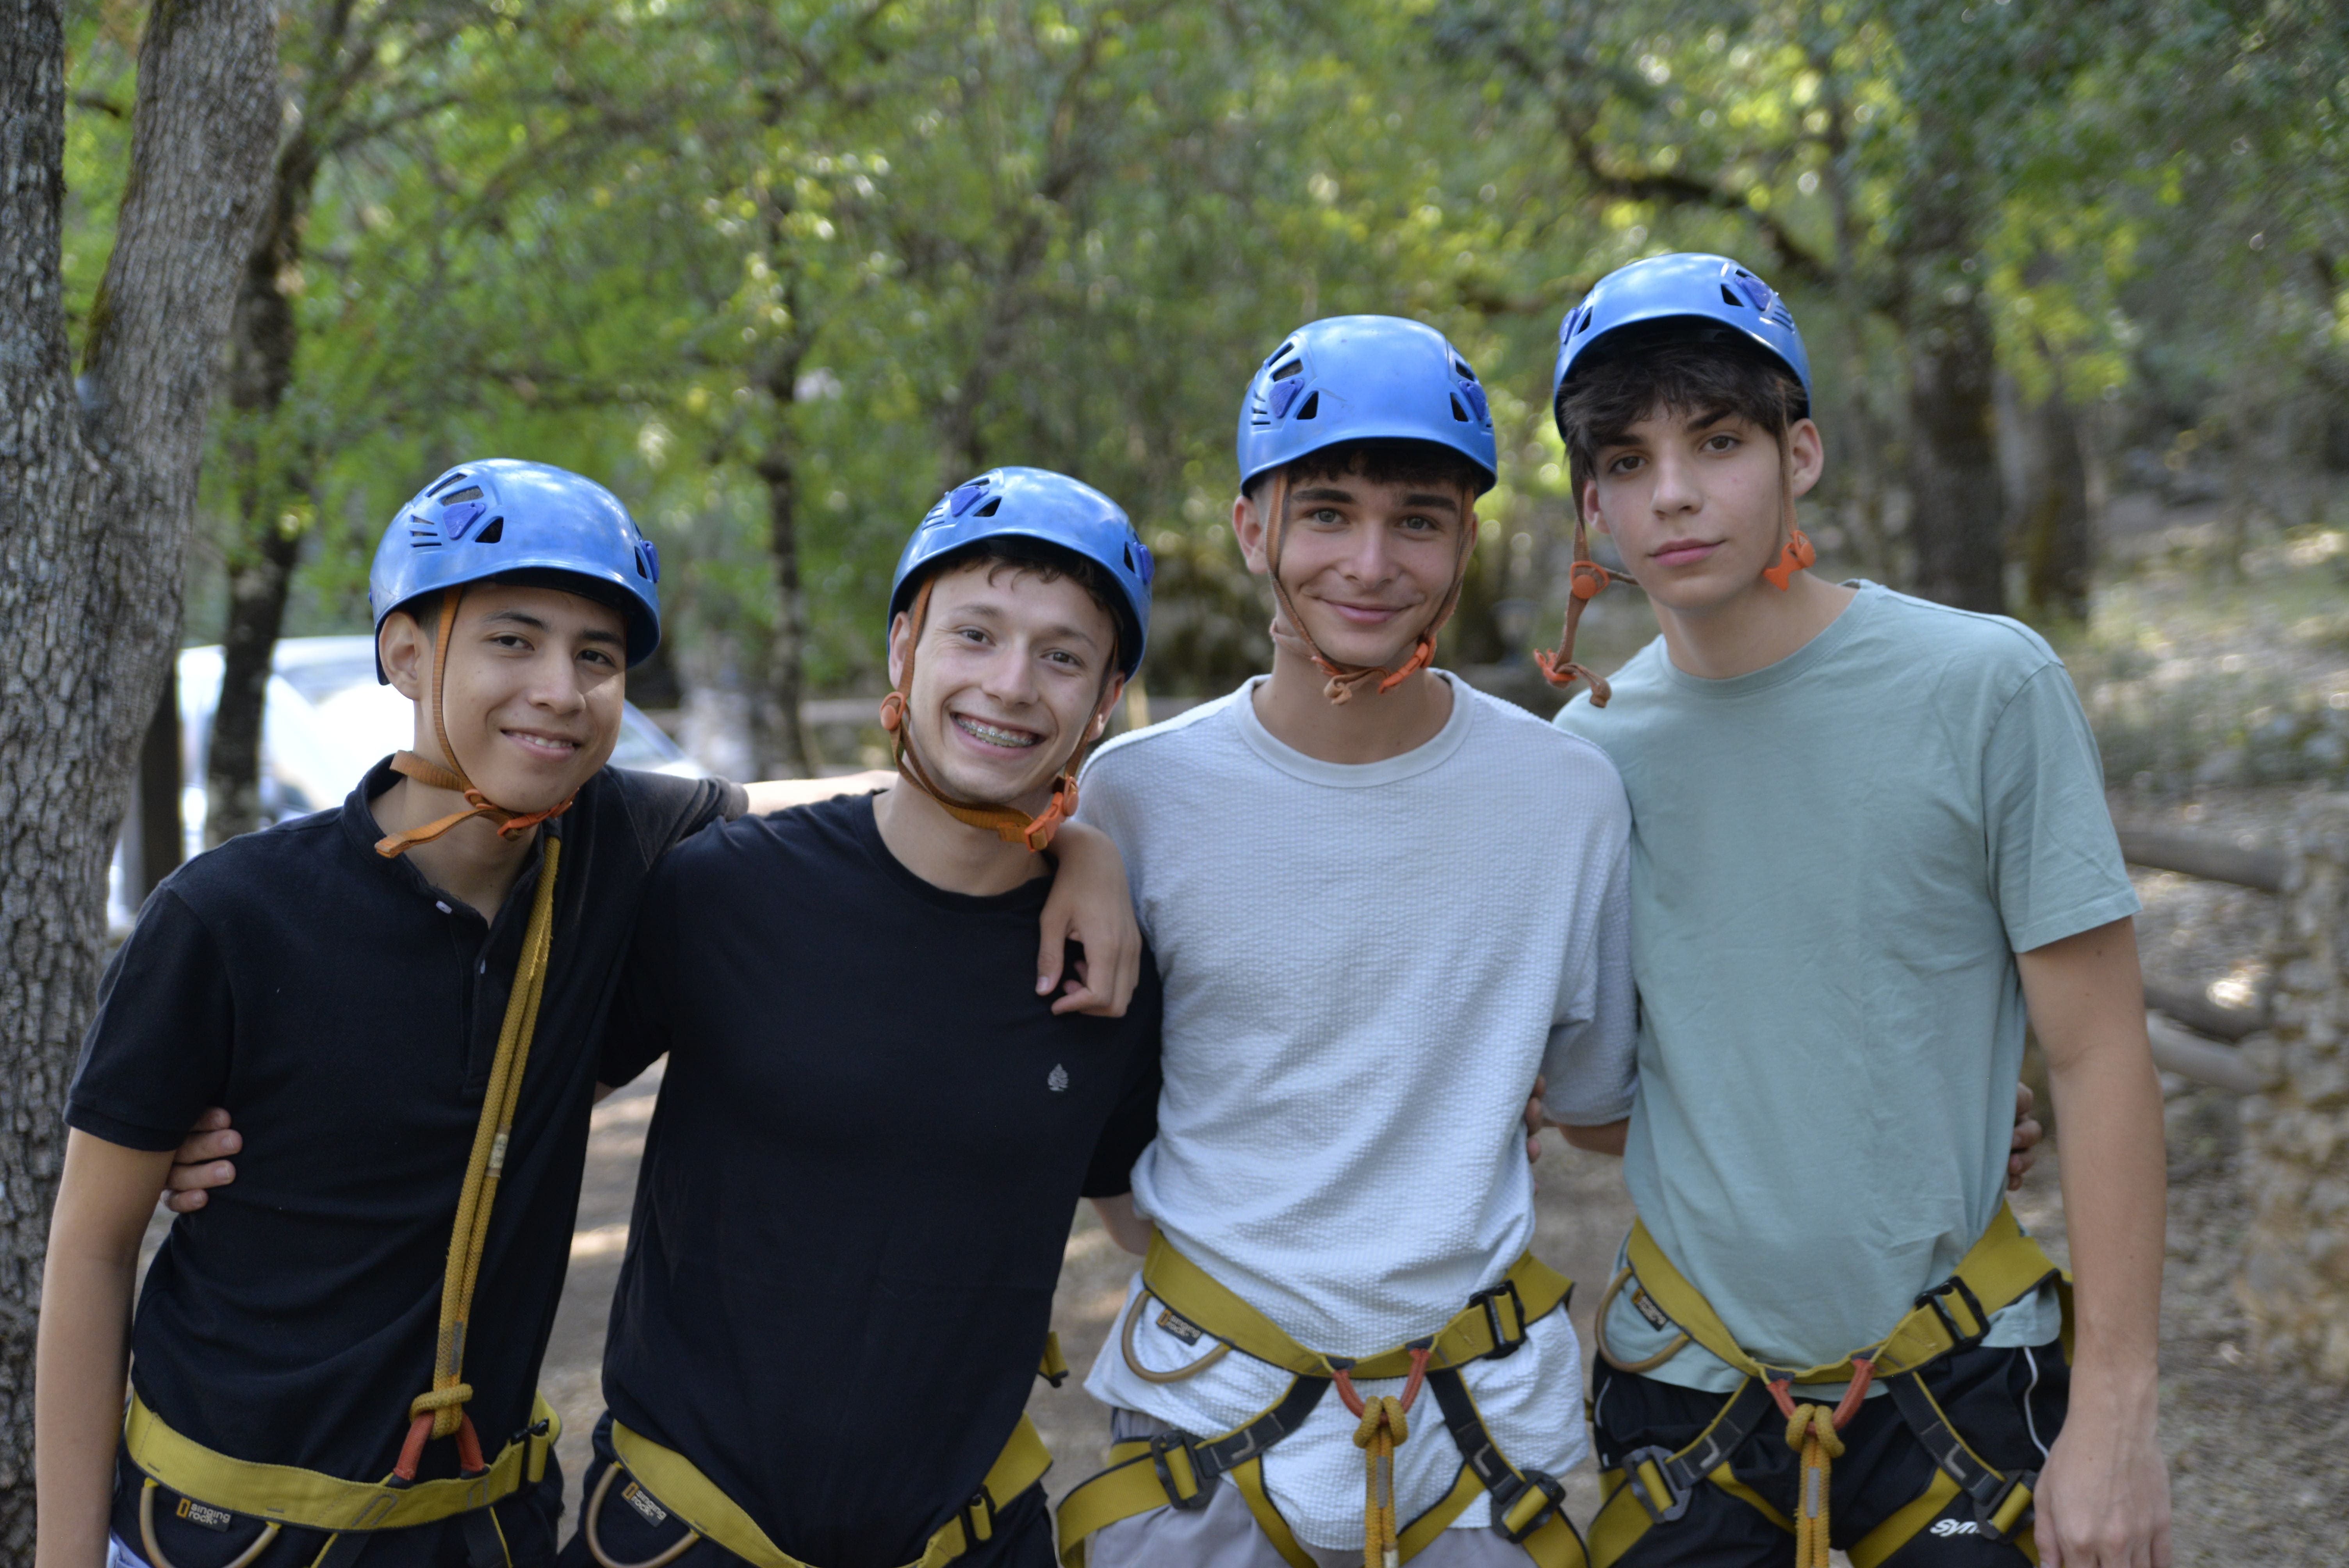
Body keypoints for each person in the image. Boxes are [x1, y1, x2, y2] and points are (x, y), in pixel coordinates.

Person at [38, 461, 1141, 1568]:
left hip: (483, 1534)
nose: (560, 689)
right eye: (512, 640)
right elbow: (88, 1252)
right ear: (406, 651)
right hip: (211, 1534)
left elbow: (877, 840)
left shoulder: (630, 852)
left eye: (597, 657)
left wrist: (1074, 844)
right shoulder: (227, 916)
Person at [1543, 254, 2169, 1568]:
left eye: (1717, 442)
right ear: (1591, 505)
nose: (1672, 493)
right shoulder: (1585, 761)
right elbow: (1603, 1104)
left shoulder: (1986, 687)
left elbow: (2101, 1053)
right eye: (1624, 459)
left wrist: (2117, 1408)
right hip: (1687, 1393)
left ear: (1801, 453)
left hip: (1963, 1377)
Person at [1053, 317, 1637, 1568]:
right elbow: (1084, 1092)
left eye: (1419, 519)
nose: (1371, 562)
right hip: (1208, 1413)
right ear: (1252, 528)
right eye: (1326, 512)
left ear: (1467, 541)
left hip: (1481, 1442)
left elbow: (1603, 1104)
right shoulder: (1135, 800)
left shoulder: (1565, 796)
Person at [559, 467, 1164, 1568]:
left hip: (965, 1540)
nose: (1013, 684)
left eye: (1062, 655)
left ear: (1106, 697)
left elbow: (1154, 1219)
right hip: (681, 1535)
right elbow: (515, 1124)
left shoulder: (1108, 969)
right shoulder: (724, 890)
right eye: (974, 635)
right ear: (903, 652)